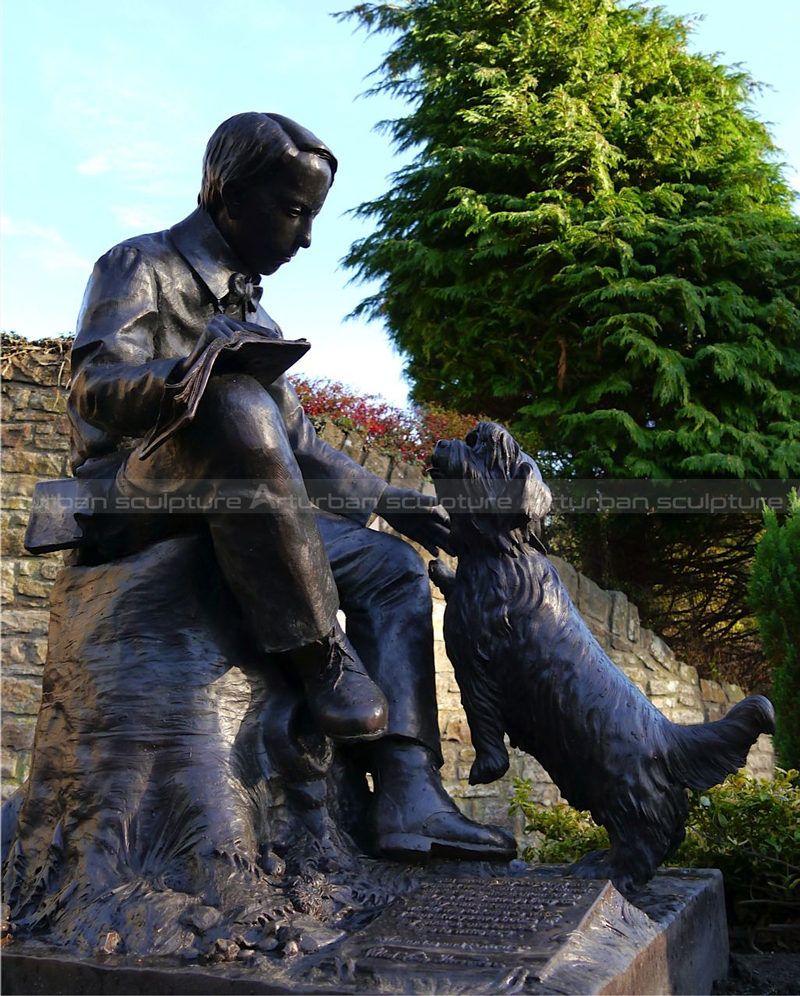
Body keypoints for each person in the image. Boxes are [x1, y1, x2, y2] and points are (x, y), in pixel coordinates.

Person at [66, 111, 515, 862]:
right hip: (135, 492)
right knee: (237, 404)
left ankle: (408, 792)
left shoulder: (258, 314)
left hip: (239, 503)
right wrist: (187, 380)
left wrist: (389, 502)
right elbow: (90, 385)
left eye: (313, 216)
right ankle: (320, 659)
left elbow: (301, 450)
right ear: (231, 194)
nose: (305, 237)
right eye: (295, 211)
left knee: (391, 566)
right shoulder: (137, 264)